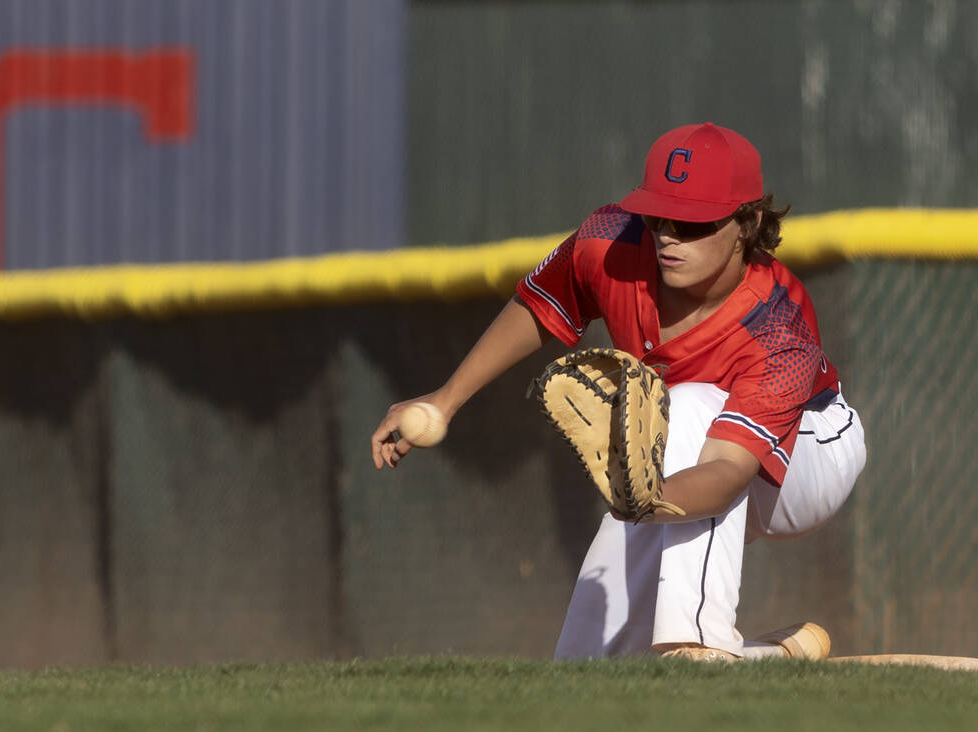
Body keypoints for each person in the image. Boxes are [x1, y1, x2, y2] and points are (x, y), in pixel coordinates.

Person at [371, 122, 866, 662]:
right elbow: (540, 306)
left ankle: (698, 643)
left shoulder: (778, 322)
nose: (668, 235)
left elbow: (726, 473)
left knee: (686, 406)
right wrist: (443, 400)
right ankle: (768, 659)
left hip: (808, 456)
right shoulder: (610, 240)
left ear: (746, 223)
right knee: (585, 664)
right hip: (688, 451)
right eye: (659, 215)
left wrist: (646, 503)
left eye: (692, 221)